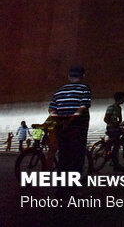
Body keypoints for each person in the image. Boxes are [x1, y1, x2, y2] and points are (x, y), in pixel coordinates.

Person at [48, 66, 91, 195]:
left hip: (62, 129)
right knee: (76, 159)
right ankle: (72, 190)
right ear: (83, 76)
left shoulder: (60, 91)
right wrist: (70, 120)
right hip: (78, 128)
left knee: (63, 158)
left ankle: (60, 189)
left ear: (69, 77)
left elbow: (51, 109)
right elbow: (82, 107)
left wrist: (60, 120)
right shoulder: (84, 89)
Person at [104, 91, 124, 170]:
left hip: (116, 128)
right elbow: (106, 119)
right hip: (111, 128)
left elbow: (119, 119)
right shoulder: (111, 107)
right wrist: (112, 124)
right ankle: (114, 162)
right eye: (123, 98)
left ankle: (114, 161)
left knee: (116, 145)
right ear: (120, 99)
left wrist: (120, 123)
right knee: (115, 144)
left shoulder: (119, 108)